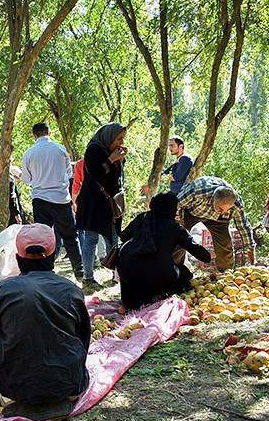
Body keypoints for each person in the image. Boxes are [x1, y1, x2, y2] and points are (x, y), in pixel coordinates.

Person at [0, 223, 90, 421]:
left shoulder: (2, 291)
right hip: (69, 385)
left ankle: (7, 399)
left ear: (18, 258)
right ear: (53, 257)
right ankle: (53, 396)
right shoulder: (72, 290)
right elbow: (83, 342)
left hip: (15, 387)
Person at [117, 192, 212, 310]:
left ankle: (131, 302)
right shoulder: (175, 227)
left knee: (134, 269)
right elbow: (196, 250)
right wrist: (210, 256)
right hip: (158, 277)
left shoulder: (142, 218)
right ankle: (158, 294)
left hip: (128, 273)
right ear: (171, 209)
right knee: (184, 273)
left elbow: (123, 236)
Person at [21, 123, 84, 279]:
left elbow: (26, 179)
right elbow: (69, 174)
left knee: (43, 237)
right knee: (70, 236)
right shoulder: (60, 150)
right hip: (60, 198)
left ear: (33, 135)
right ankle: (79, 271)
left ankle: (45, 271)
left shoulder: (29, 153)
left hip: (40, 199)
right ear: (49, 132)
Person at [76, 123, 128, 290]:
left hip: (109, 203)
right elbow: (96, 173)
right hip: (93, 202)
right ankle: (88, 277)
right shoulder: (94, 150)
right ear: (109, 137)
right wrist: (111, 159)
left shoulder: (112, 150)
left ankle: (116, 275)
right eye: (118, 139)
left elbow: (116, 176)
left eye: (122, 139)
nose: (120, 142)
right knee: (90, 239)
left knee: (113, 238)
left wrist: (121, 160)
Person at [174, 176, 256, 271]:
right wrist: (177, 227)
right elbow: (176, 205)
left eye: (227, 210)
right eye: (220, 208)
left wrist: (252, 260)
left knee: (225, 246)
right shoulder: (196, 191)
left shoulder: (236, 205)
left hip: (219, 221)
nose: (223, 212)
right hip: (192, 213)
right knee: (179, 240)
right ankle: (174, 270)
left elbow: (244, 228)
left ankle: (225, 275)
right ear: (212, 198)